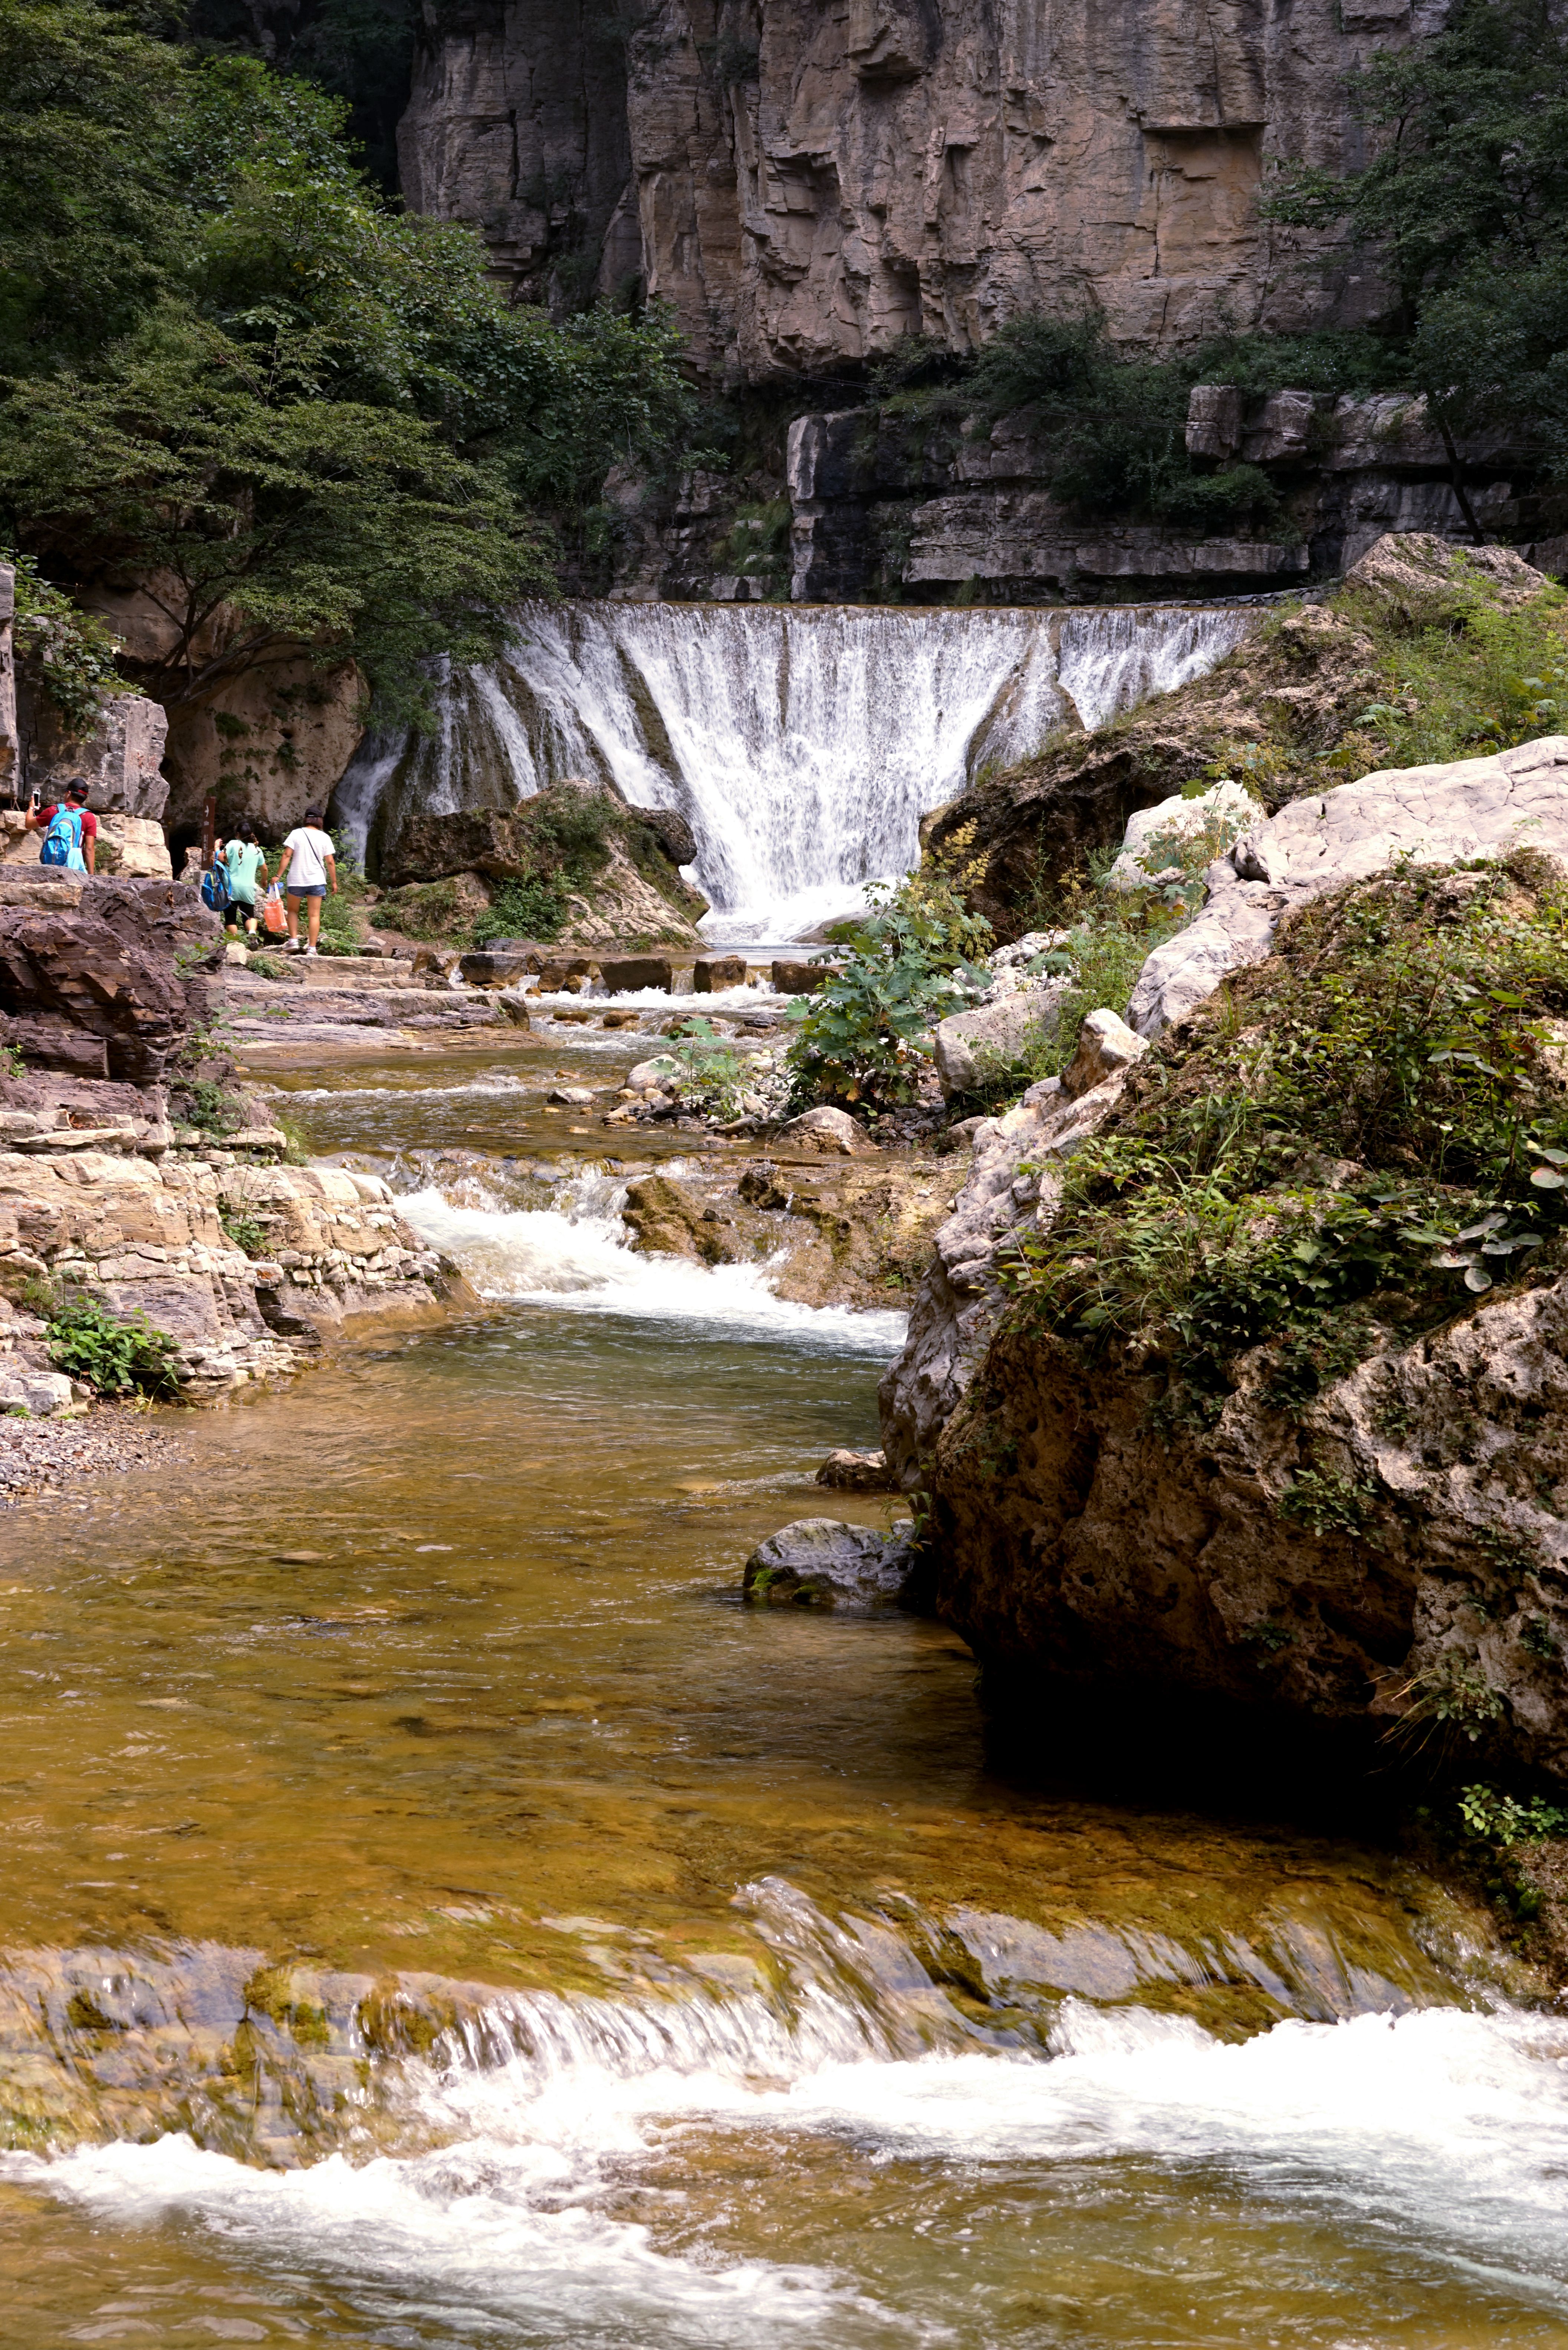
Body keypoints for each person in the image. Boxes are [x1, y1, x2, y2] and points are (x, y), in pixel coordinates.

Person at [272, 808, 338, 955]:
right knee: (314, 915)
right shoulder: (325, 837)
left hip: (297, 879)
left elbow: (287, 855)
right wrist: (334, 882)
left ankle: (294, 941)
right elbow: (330, 862)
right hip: (316, 880)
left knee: (293, 911)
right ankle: (312, 949)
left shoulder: (296, 834)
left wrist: (278, 875)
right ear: (320, 820)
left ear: (306, 819)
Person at [26, 777, 96, 874]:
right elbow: (89, 849)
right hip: (73, 869)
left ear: (69, 794)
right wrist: (92, 877)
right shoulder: (89, 817)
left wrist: (31, 807)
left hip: (50, 866)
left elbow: (29, 824)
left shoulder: (54, 810)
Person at [221, 822, 269, 936]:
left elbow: (222, 858)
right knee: (250, 916)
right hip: (248, 888)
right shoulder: (257, 850)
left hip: (231, 887)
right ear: (251, 835)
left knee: (231, 919)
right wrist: (264, 880)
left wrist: (217, 847)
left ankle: (236, 941)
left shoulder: (233, 844)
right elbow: (265, 869)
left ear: (238, 834)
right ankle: (252, 932)